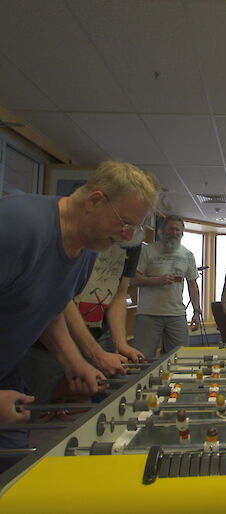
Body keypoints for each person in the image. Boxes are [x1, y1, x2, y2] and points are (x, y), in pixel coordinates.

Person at [0, 160, 158, 465]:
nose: (127, 236)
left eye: (133, 228)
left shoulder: (85, 252)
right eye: (123, 223)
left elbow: (50, 306)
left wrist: (73, 362)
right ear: (95, 200)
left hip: (6, 372)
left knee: (15, 470)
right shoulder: (19, 225)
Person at [21, 241, 146, 405]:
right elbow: (60, 296)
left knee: (113, 402)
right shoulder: (71, 235)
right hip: (49, 340)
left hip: (100, 334)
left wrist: (120, 343)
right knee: (25, 408)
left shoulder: (132, 241)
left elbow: (119, 294)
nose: (129, 234)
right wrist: (95, 354)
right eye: (125, 223)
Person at [132, 215, 201, 357]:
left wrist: (196, 312)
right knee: (142, 359)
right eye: (171, 229)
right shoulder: (148, 250)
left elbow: (193, 285)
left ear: (182, 233)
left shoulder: (188, 255)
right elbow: (134, 279)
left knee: (181, 357)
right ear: (162, 230)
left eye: (177, 230)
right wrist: (157, 281)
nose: (174, 233)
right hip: (148, 313)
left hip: (176, 314)